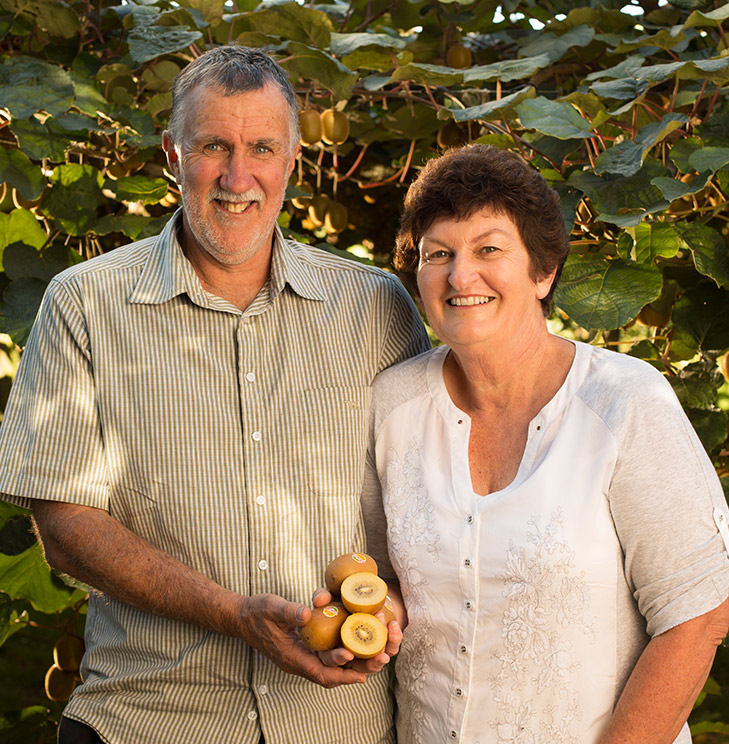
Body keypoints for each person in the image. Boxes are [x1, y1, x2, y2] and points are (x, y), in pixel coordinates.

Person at [0, 46, 429, 744]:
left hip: (339, 725)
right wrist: (234, 614)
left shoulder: (373, 307)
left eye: (261, 147)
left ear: (292, 159)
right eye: (212, 146)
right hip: (149, 719)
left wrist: (397, 611)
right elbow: (65, 525)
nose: (238, 175)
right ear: (172, 153)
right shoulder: (85, 304)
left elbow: (430, 499)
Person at [360, 143, 729, 744]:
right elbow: (392, 580)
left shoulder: (626, 401)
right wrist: (386, 613)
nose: (460, 275)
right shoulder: (392, 407)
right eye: (439, 254)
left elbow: (699, 616)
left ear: (543, 271)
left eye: (489, 249)